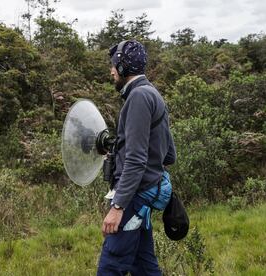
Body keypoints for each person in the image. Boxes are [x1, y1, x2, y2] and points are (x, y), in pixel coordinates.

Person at [97, 40, 176, 275]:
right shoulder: (152, 93)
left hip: (133, 199)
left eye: (113, 65)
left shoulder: (139, 97)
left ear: (122, 67)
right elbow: (169, 154)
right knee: (143, 265)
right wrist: (118, 152)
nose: (111, 71)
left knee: (111, 265)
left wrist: (118, 206)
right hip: (144, 195)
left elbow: (137, 160)